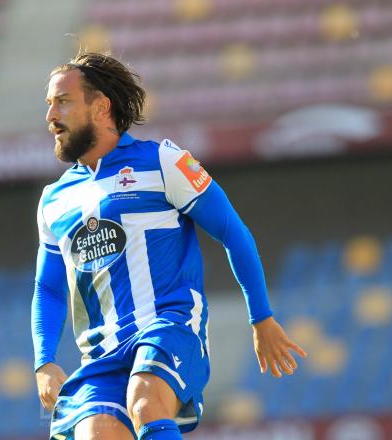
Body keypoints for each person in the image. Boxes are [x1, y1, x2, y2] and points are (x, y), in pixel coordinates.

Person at [31, 52, 307, 440]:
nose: (50, 116)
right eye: (49, 104)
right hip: (102, 353)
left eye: (62, 101)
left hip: (169, 326)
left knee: (145, 401)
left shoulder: (164, 162)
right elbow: (48, 287)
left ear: (100, 106)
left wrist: (260, 316)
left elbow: (233, 232)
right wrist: (44, 360)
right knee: (97, 434)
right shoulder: (53, 200)